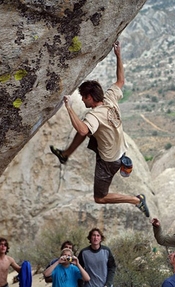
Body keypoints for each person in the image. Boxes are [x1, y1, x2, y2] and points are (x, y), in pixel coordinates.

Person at [50, 41, 149, 218]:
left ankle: (136, 200)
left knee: (100, 197)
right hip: (119, 149)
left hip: (109, 161)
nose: (82, 101)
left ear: (89, 97)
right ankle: (66, 155)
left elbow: (81, 130)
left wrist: (69, 108)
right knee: (87, 130)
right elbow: (121, 80)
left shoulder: (94, 116)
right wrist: (118, 55)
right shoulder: (110, 98)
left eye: (83, 98)